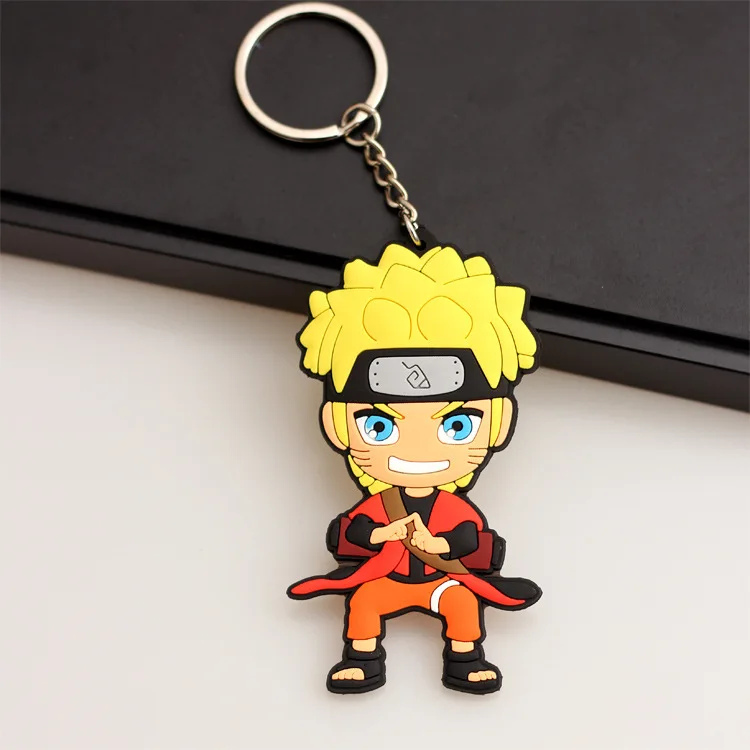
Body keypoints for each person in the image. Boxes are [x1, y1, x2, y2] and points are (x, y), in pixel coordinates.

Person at [288, 243, 541, 694]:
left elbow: (479, 545)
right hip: (385, 581)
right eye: (379, 426)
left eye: (457, 425)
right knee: (364, 602)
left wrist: (440, 543)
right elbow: (344, 535)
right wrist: (379, 534)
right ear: (336, 424)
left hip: (441, 582)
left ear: (500, 422)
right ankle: (361, 659)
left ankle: (465, 659)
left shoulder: (453, 507)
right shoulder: (378, 504)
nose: (420, 448)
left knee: (462, 604)